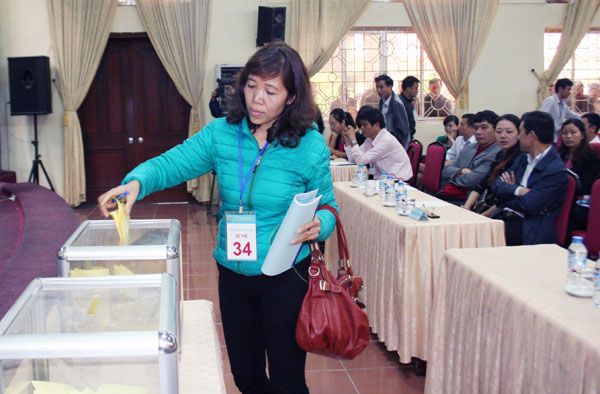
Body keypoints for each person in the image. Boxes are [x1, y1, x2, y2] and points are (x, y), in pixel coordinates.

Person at [98, 42, 338, 394]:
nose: (256, 98)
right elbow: (171, 163)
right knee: (246, 376)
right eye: (252, 85)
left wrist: (322, 224)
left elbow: (329, 206)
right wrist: (135, 183)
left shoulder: (309, 145)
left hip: (287, 275)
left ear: (290, 98)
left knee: (287, 380)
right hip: (234, 274)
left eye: (270, 91)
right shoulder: (221, 134)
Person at [491, 111, 567, 246]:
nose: (519, 137)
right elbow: (496, 186)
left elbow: (530, 205)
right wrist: (519, 190)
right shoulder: (523, 158)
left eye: (520, 132)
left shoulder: (555, 170)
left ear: (531, 136)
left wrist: (507, 193)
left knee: (478, 236)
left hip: (528, 228)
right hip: (505, 218)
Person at [462, 114, 521, 216]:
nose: (503, 136)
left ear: (519, 134)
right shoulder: (500, 155)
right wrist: (467, 206)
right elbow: (483, 183)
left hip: (505, 213)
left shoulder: (520, 159)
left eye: (509, 132)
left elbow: (505, 199)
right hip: (486, 207)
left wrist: (481, 217)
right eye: (499, 132)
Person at [438, 110, 502, 204]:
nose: (479, 132)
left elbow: (471, 180)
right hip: (448, 193)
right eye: (476, 128)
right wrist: (460, 171)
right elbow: (445, 171)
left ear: (495, 130)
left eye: (484, 128)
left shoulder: (497, 152)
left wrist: (453, 176)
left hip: (467, 200)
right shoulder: (470, 147)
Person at [342, 106, 412, 181]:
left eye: (365, 125)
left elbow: (361, 161)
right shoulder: (370, 139)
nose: (362, 128)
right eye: (361, 125)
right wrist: (347, 139)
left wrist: (353, 139)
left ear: (377, 125)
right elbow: (353, 160)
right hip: (382, 180)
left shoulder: (385, 140)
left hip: (397, 182)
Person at [557, 118, 600, 230]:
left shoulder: (590, 157)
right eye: (565, 133)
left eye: (573, 132)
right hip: (557, 196)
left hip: (578, 200)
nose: (569, 136)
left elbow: (587, 187)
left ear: (582, 135)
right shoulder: (558, 155)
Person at [540, 78, 581, 142]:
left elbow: (572, 115)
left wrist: (586, 118)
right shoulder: (550, 101)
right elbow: (543, 119)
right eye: (568, 90)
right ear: (560, 89)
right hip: (549, 138)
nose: (570, 93)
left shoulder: (563, 104)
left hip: (557, 137)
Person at [375, 74, 411, 148]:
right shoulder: (382, 101)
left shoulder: (396, 104)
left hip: (396, 146)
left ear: (390, 87)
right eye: (377, 87)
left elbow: (402, 131)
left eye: (381, 87)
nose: (379, 90)